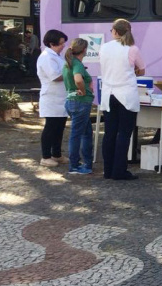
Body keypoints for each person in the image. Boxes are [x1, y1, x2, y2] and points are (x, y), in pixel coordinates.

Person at [99, 19, 146, 181]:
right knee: (124, 134)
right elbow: (142, 70)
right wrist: (132, 71)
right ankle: (119, 170)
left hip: (108, 94)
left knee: (109, 133)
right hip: (126, 94)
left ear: (114, 31)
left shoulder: (104, 47)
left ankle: (108, 170)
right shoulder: (132, 49)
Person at [37, 29, 69, 167]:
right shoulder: (47, 57)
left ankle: (57, 154)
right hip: (51, 97)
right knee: (50, 127)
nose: (63, 46)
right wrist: (71, 74)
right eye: (60, 43)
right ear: (51, 43)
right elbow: (55, 76)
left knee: (60, 127)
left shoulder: (57, 56)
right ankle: (45, 156)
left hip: (61, 97)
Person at [63, 38, 94, 175]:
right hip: (80, 101)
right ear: (84, 50)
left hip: (71, 101)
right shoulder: (77, 64)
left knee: (86, 133)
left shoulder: (69, 63)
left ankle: (87, 163)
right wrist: (83, 90)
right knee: (77, 135)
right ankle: (74, 165)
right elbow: (78, 79)